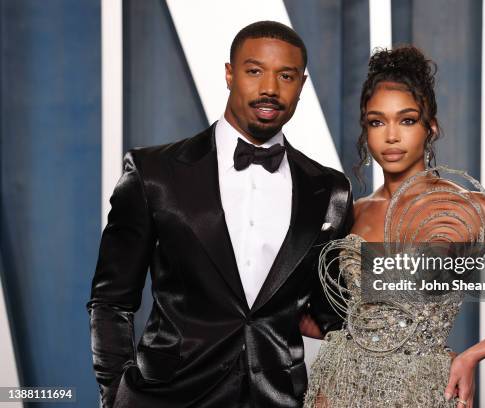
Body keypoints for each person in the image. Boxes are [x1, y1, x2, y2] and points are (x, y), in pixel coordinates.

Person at [86, 21, 353, 408]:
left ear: (302, 84)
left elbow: (335, 312)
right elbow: (111, 300)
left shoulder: (331, 189)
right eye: (254, 71)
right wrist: (114, 394)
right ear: (229, 74)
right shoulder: (153, 172)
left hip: (277, 398)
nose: (270, 89)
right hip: (166, 396)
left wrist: (421, 346)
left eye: (286, 76)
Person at [303, 46, 485, 408]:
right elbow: (341, 315)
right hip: (338, 386)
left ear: (430, 127)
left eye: (406, 120)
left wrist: (472, 356)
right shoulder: (354, 211)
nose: (390, 136)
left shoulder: (469, 209)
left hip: (422, 391)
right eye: (376, 121)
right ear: (365, 131)